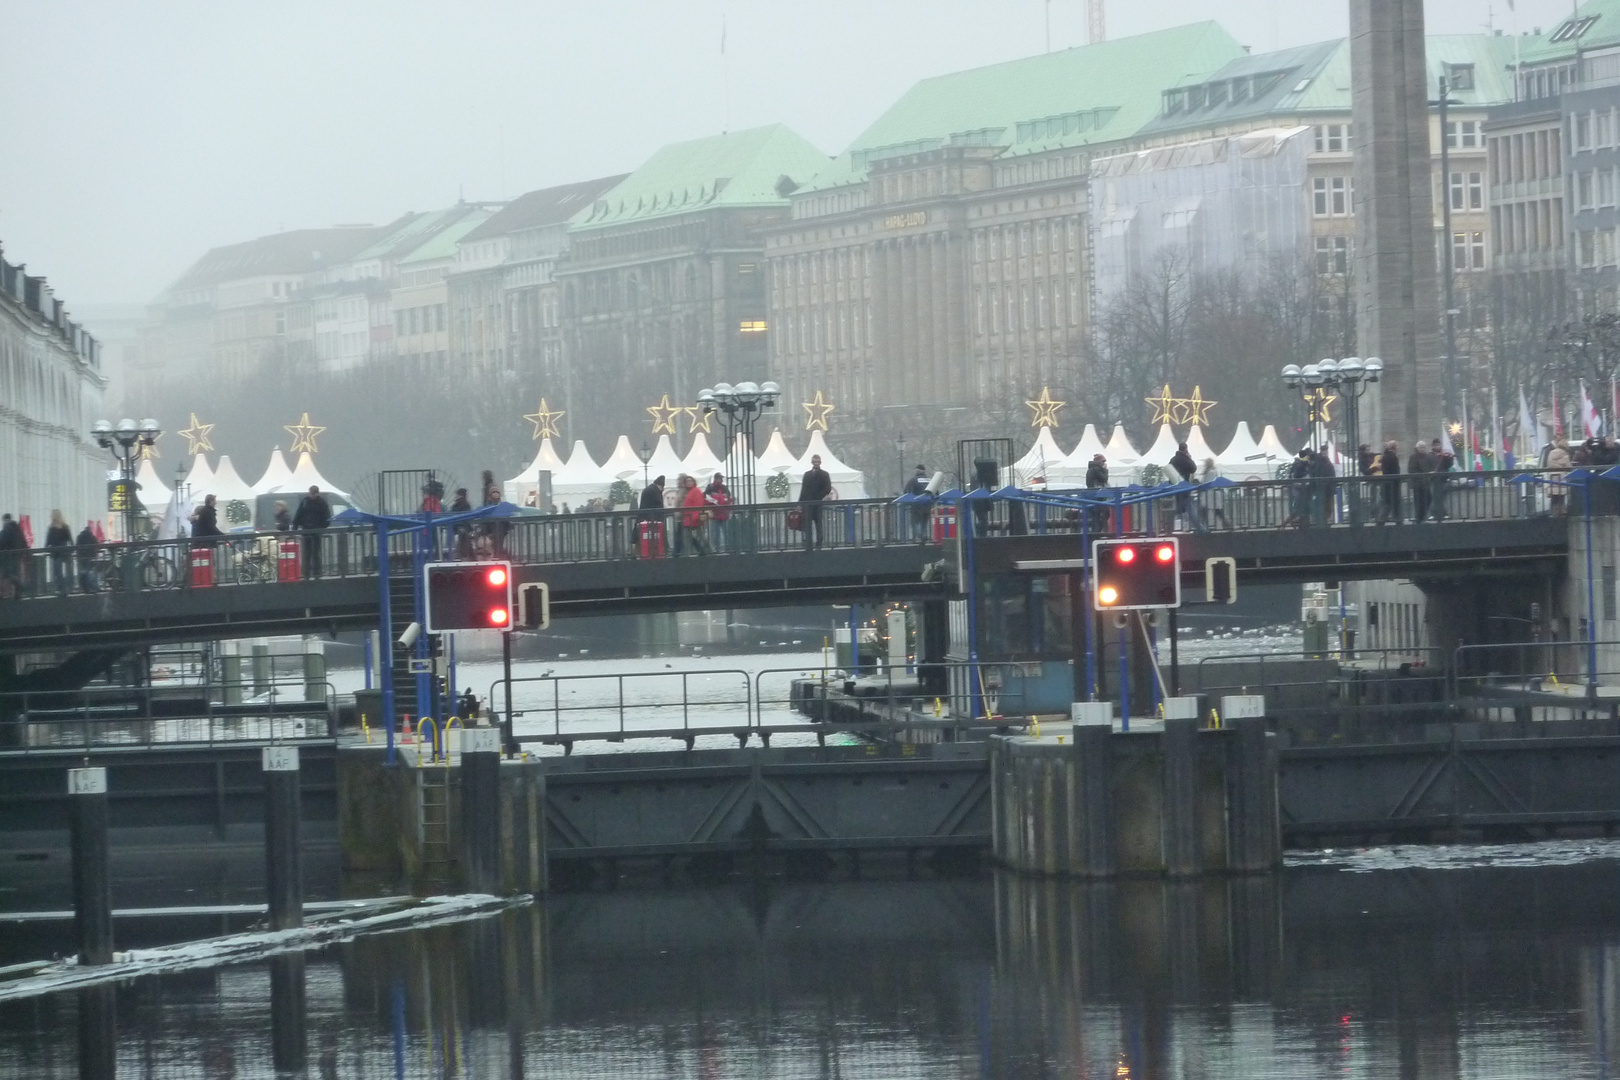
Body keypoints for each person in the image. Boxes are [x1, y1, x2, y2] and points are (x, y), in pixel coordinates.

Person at [292, 485, 331, 577]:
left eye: (312, 493)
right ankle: (315, 573)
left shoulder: (306, 502)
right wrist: (321, 527)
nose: (311, 495)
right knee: (312, 554)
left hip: (308, 531)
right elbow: (327, 518)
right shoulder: (321, 503)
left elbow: (298, 515)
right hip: (313, 532)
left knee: (311, 554)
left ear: (316, 493)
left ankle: (309, 573)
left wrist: (295, 527)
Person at [798, 453, 833, 550]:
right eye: (814, 461)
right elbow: (803, 489)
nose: (816, 463)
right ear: (812, 462)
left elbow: (828, 488)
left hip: (818, 504)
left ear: (820, 462)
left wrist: (818, 498)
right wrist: (800, 503)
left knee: (818, 524)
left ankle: (819, 543)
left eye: (817, 461)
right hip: (808, 504)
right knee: (807, 525)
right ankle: (809, 543)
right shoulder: (807, 474)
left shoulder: (824, 474)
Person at [1169, 441, 1205, 532]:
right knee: (1190, 508)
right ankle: (1198, 528)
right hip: (1185, 487)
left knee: (1178, 508)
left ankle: (1174, 527)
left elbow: (1169, 470)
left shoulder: (1173, 459)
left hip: (1175, 487)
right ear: (1186, 449)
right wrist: (1190, 459)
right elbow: (1193, 469)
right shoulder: (1186, 459)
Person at [676, 475, 711, 555]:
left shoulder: (696, 491)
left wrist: (695, 516)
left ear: (693, 482)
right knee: (693, 536)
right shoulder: (692, 491)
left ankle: (706, 550)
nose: (688, 483)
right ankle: (702, 551)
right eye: (687, 481)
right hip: (688, 517)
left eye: (690, 481)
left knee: (699, 535)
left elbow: (698, 504)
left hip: (693, 517)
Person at [44, 510, 72, 597]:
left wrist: (46, 549)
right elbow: (70, 540)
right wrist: (72, 550)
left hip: (56, 553)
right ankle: (66, 588)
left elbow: (48, 542)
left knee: (57, 572)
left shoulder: (51, 528)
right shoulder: (65, 527)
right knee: (67, 571)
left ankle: (61, 589)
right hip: (65, 552)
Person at [637, 475, 666, 557]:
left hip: (644, 517)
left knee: (641, 537)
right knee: (649, 537)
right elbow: (658, 504)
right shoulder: (654, 491)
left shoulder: (649, 489)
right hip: (650, 518)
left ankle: (638, 553)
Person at [704, 472, 732, 553]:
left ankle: (721, 548)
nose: (721, 480)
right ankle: (717, 548)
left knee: (722, 532)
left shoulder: (714, 487)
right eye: (719, 478)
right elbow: (705, 498)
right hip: (717, 514)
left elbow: (705, 497)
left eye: (721, 478)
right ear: (716, 478)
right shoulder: (717, 488)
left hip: (722, 513)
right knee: (715, 533)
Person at [1199, 458, 1230, 529]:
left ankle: (1204, 525)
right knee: (1216, 510)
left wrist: (1201, 486)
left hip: (1210, 493)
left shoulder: (1210, 472)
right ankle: (1226, 524)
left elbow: (1207, 482)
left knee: (1207, 510)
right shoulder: (1212, 471)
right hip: (1210, 493)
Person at [0, 513, 25, 599]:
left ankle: (19, 586)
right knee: (14, 574)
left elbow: (2, 542)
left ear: (5, 520)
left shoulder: (6, 530)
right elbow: (23, 542)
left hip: (7, 557)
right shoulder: (18, 529)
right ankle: (17, 594)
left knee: (6, 574)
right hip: (17, 556)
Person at [1407, 442, 1433, 524]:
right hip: (1417, 483)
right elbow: (1411, 469)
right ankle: (1419, 518)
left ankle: (1422, 517)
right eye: (1421, 447)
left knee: (1428, 499)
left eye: (1424, 447)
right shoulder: (1413, 457)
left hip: (1425, 483)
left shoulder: (1427, 457)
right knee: (1419, 501)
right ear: (1417, 448)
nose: (1423, 449)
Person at [904, 464, 931, 541]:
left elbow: (906, 491)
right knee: (924, 523)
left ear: (917, 471)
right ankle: (924, 535)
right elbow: (936, 492)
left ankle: (919, 536)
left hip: (916, 506)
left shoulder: (913, 480)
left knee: (914, 523)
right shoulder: (930, 480)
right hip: (927, 506)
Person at [1430, 438, 1454, 522]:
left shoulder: (1444, 455)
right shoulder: (1430, 455)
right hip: (1434, 479)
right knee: (1435, 498)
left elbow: (1449, 465)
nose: (1437, 446)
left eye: (1439, 445)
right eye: (1436, 445)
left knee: (1443, 498)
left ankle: (1443, 513)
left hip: (1443, 479)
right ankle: (1435, 514)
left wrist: (1449, 458)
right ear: (1433, 446)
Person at [1377, 441, 1402, 524]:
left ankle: (1383, 519)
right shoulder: (1393, 457)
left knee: (1387, 502)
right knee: (1392, 501)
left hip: (1386, 482)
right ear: (1394, 448)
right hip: (1393, 483)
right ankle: (1394, 518)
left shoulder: (1384, 456)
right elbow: (1395, 470)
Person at [1547, 438, 1572, 516]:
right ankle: (1561, 511)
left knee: (1554, 496)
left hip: (1553, 476)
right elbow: (1568, 466)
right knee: (1561, 496)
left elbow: (1549, 464)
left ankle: (1553, 512)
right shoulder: (1565, 455)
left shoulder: (1551, 453)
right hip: (1561, 477)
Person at [76, 520, 99, 593]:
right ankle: (93, 587)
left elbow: (77, 546)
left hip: (81, 557)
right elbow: (97, 544)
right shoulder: (92, 536)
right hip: (90, 557)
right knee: (91, 572)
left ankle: (84, 588)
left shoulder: (79, 537)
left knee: (83, 572)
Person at [450, 487, 474, 559]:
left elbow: (466, 518)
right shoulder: (460, 505)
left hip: (461, 528)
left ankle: (460, 554)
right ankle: (465, 554)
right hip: (459, 528)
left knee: (462, 537)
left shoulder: (462, 505)